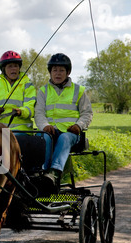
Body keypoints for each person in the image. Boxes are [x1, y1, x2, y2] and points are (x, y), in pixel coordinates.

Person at [35, 53, 93, 193]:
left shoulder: (79, 90)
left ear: (68, 72)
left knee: (64, 137)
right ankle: (41, 173)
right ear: (50, 72)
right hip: (50, 130)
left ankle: (54, 173)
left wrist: (78, 126)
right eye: (54, 70)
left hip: (70, 133)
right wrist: (44, 126)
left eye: (61, 70)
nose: (58, 73)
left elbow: (87, 113)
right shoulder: (43, 91)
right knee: (42, 138)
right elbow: (39, 113)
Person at [0, 50, 36, 134]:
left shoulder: (27, 85)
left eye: (16, 66)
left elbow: (31, 107)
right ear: (4, 69)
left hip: (21, 131)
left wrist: (21, 112)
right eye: (10, 66)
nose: (13, 69)